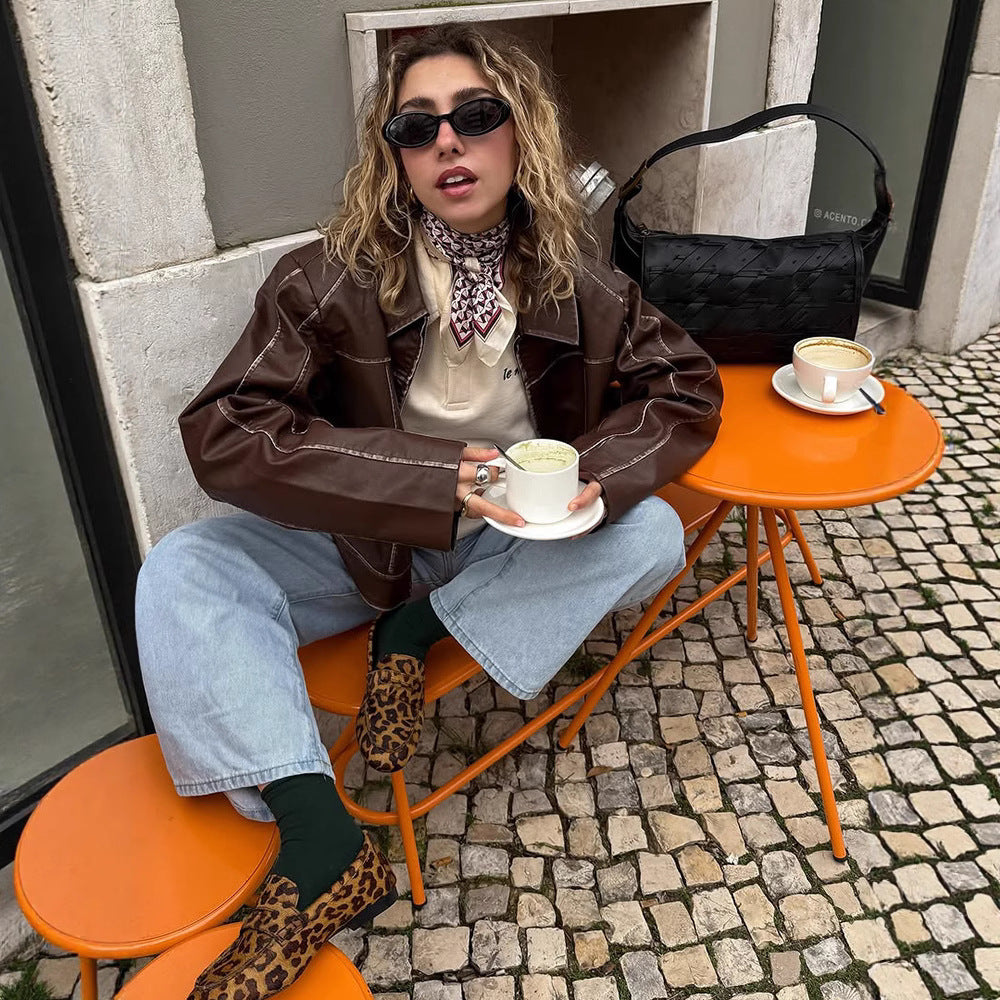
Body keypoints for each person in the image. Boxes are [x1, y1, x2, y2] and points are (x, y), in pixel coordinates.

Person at [135, 21, 722, 1000]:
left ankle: (417, 633)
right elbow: (225, 431)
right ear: (397, 157)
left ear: (519, 132)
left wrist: (586, 475)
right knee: (183, 569)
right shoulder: (326, 275)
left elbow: (686, 389)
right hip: (365, 546)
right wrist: (421, 476)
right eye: (417, 126)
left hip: (509, 546)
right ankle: (322, 839)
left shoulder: (580, 281)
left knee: (654, 530)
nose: (448, 140)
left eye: (476, 115)